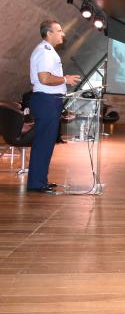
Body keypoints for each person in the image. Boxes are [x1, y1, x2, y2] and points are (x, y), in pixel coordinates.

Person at [27, 20, 80, 193]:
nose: (62, 34)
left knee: (46, 144)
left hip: (50, 101)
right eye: (59, 30)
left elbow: (48, 77)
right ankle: (36, 183)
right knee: (43, 144)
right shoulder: (45, 52)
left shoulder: (48, 52)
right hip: (46, 101)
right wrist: (65, 79)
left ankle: (40, 180)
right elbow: (44, 79)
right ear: (49, 33)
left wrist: (64, 79)